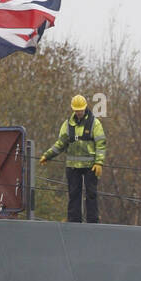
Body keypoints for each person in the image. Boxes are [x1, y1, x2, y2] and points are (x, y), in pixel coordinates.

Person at [39, 94, 106, 223]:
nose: (78, 112)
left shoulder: (94, 123)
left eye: (80, 110)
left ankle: (92, 221)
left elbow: (101, 143)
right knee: (74, 193)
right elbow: (61, 143)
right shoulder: (68, 124)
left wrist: (99, 162)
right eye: (76, 110)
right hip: (73, 166)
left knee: (91, 193)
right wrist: (48, 155)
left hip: (90, 165)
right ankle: (74, 220)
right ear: (73, 109)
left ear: (85, 108)